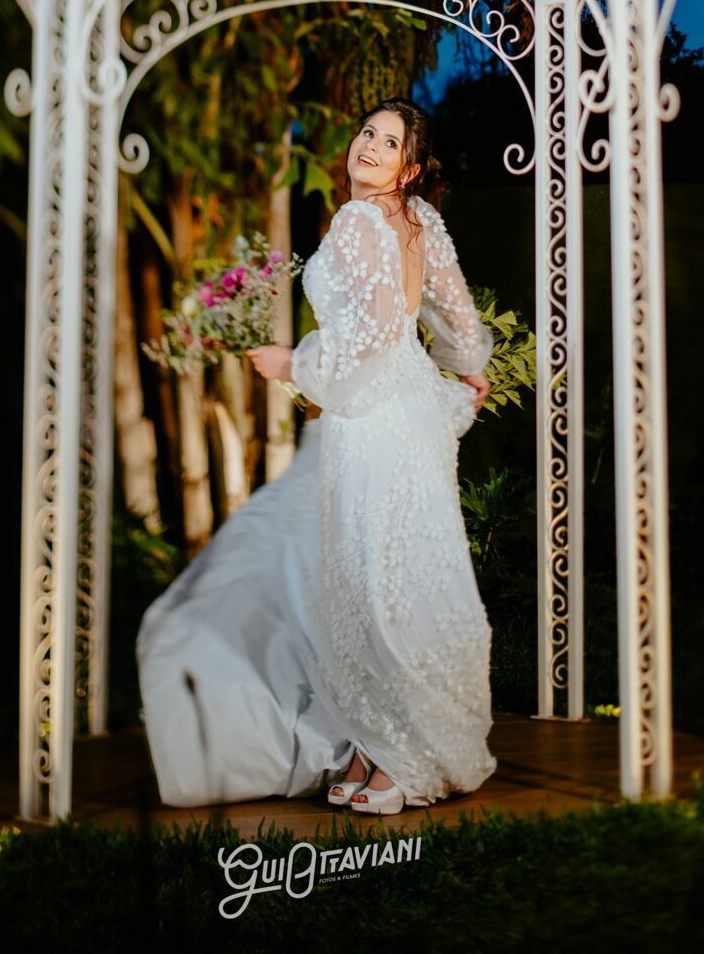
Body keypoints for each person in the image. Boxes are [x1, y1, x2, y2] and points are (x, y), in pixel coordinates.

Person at [136, 97, 497, 815]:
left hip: (370, 421)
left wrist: (293, 362)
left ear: (409, 169)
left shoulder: (359, 219)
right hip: (413, 415)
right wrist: (466, 370)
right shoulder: (422, 224)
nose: (368, 146)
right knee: (405, 580)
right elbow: (455, 319)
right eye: (367, 133)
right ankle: (384, 750)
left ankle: (396, 761)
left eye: (388, 143)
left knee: (371, 585)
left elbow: (369, 331)